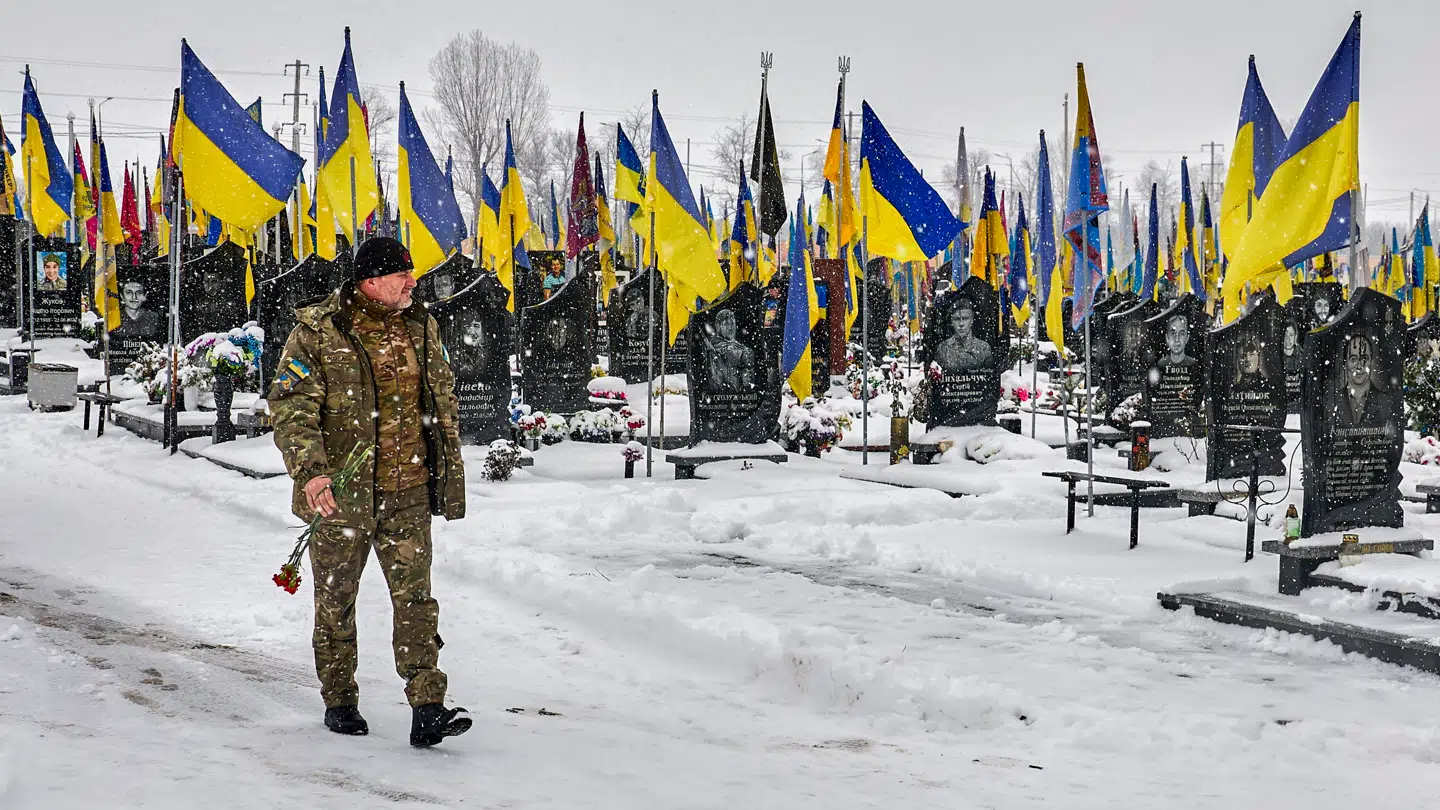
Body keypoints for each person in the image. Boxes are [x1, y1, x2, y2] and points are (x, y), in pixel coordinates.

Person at [268, 236, 471, 748]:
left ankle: (428, 705)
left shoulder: (421, 325)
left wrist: (444, 473)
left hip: (408, 491)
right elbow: (292, 408)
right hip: (343, 497)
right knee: (337, 600)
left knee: (416, 600)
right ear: (371, 280)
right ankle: (339, 697)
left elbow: (439, 402)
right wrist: (311, 473)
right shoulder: (318, 333)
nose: (412, 282)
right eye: (402, 274)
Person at [1334, 332, 1397, 430]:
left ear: (1371, 361)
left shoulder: (1385, 402)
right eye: (1353, 359)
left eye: (1364, 359)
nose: (1359, 366)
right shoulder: (1332, 402)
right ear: (1345, 363)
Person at [933, 298, 993, 372]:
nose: (961, 324)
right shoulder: (943, 348)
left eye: (965, 318)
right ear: (951, 321)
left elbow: (988, 375)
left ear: (972, 320)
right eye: (956, 319)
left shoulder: (984, 348)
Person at [705, 308, 754, 392]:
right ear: (718, 326)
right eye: (727, 324)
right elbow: (732, 355)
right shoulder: (715, 343)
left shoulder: (737, 344)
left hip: (739, 394)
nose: (731, 327)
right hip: (721, 392)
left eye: (732, 323)